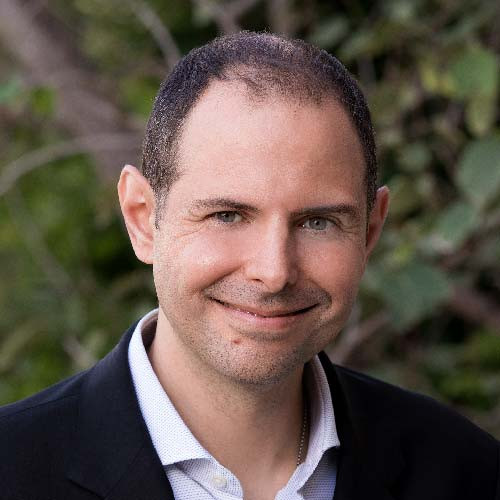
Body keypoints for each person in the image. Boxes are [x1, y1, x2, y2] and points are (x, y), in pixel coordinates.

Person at [1, 31, 498, 500]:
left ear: (370, 233)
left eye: (318, 222)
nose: (274, 271)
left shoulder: (469, 474)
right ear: (142, 219)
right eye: (227, 215)